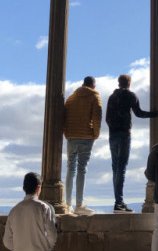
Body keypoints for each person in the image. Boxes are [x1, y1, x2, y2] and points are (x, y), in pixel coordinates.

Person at [106, 74, 158, 213]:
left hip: (112, 134)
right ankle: (119, 203)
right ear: (129, 84)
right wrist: (157, 114)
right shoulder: (131, 95)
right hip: (124, 134)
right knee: (121, 168)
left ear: (118, 83)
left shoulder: (111, 97)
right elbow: (139, 113)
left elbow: (107, 118)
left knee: (115, 168)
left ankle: (119, 201)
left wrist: (113, 128)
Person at [64, 75, 102, 215]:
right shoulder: (94, 97)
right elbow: (97, 117)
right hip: (86, 136)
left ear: (82, 84)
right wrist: (95, 134)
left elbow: (64, 116)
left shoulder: (71, 98)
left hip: (71, 137)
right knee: (81, 169)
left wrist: (67, 133)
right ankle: (79, 204)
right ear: (93, 86)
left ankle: (67, 204)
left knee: (70, 168)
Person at [3, 172, 57, 251]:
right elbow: (52, 236)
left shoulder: (14, 211)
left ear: (24, 188)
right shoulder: (44, 208)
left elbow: (7, 241)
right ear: (39, 187)